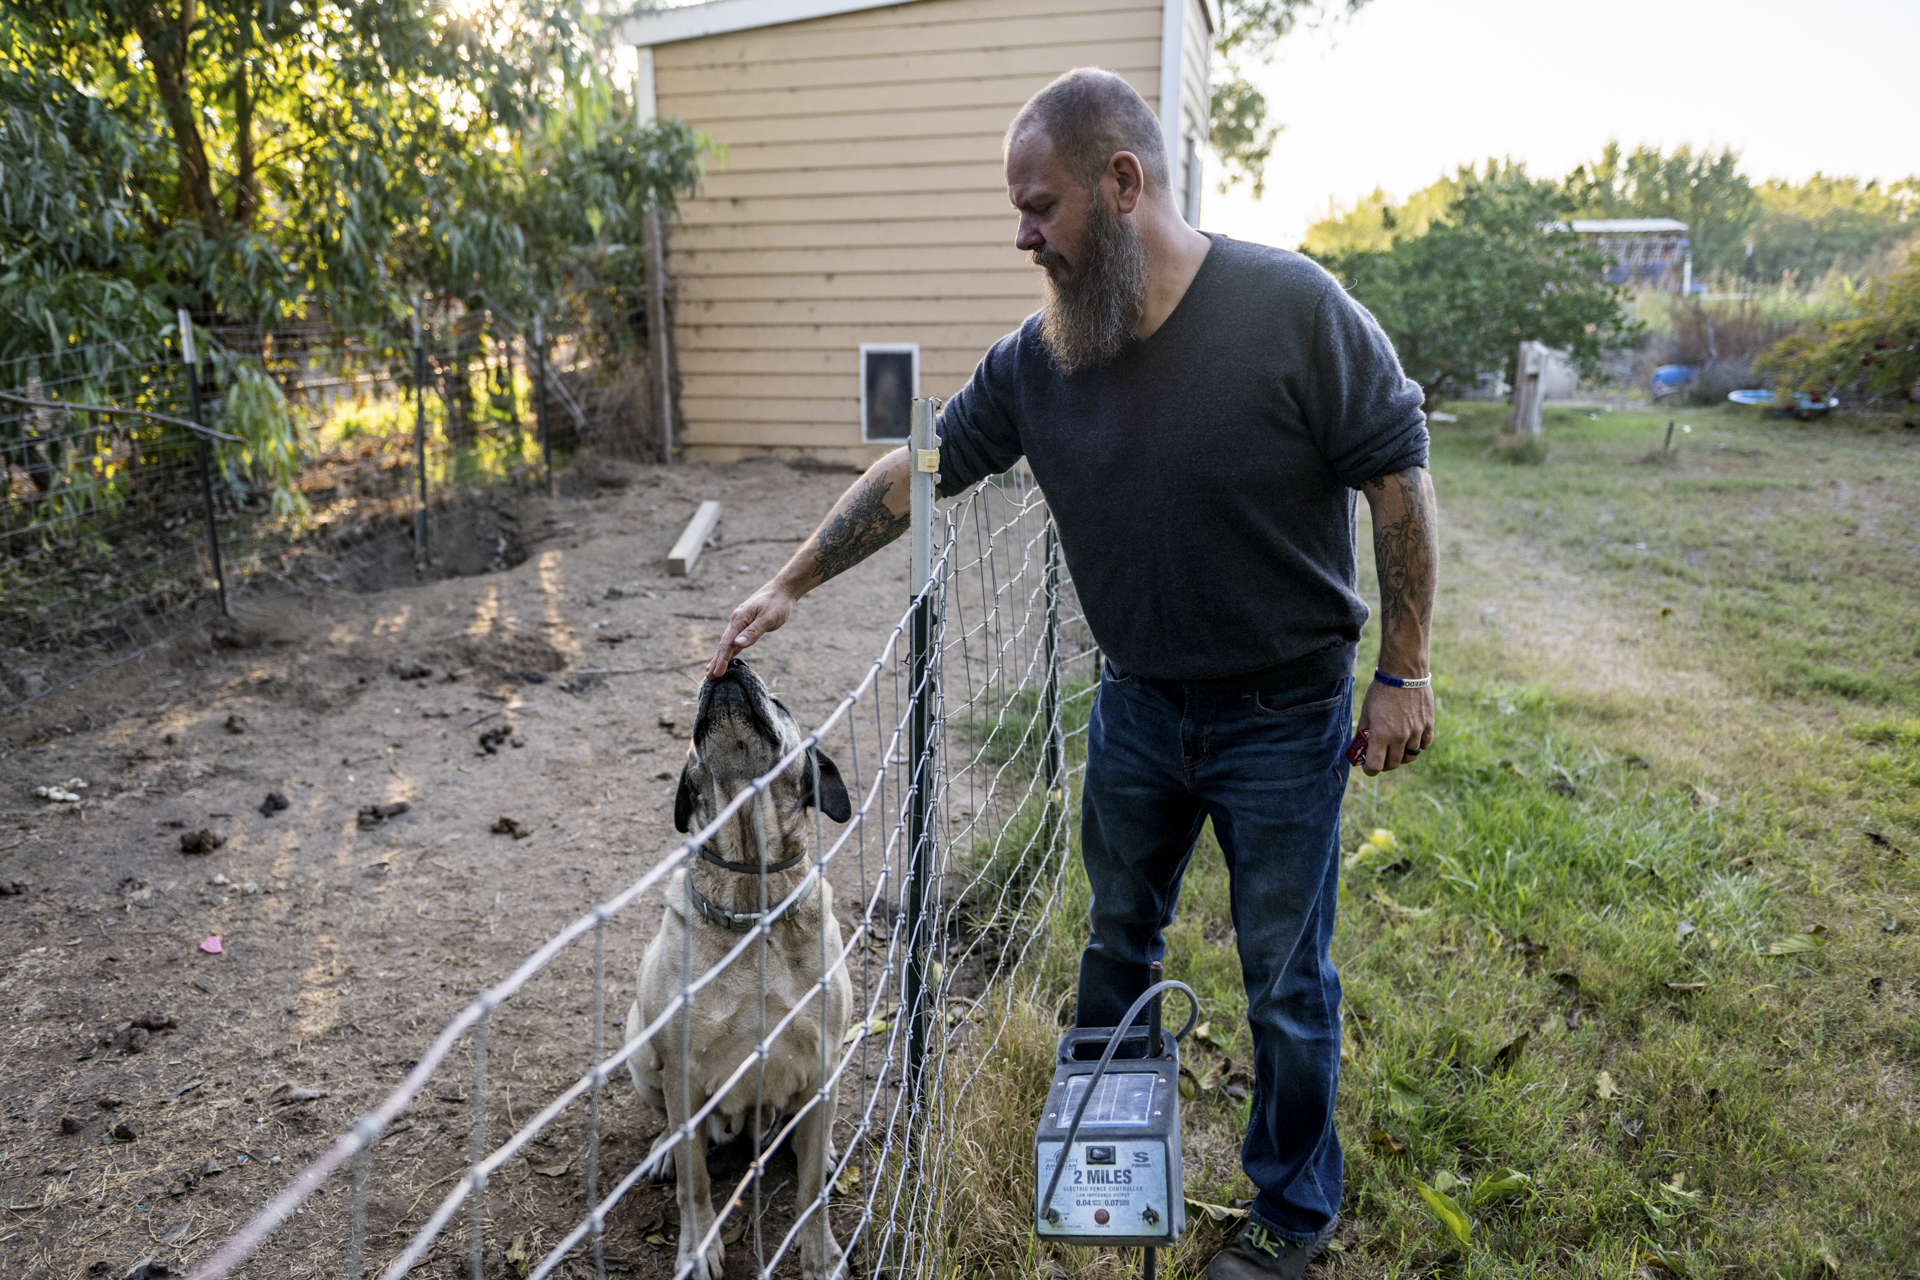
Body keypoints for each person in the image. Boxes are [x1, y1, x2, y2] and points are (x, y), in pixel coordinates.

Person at [706, 67, 1437, 1279]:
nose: (1021, 233)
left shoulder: (1293, 308)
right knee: (1117, 944)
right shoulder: (1045, 360)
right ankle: (1109, 1163)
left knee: (1287, 979)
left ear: (1123, 182)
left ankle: (1288, 1216)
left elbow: (1397, 471)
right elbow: (918, 471)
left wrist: (1404, 670)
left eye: (1040, 205)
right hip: (1141, 705)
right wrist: (792, 579)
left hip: (1284, 709)